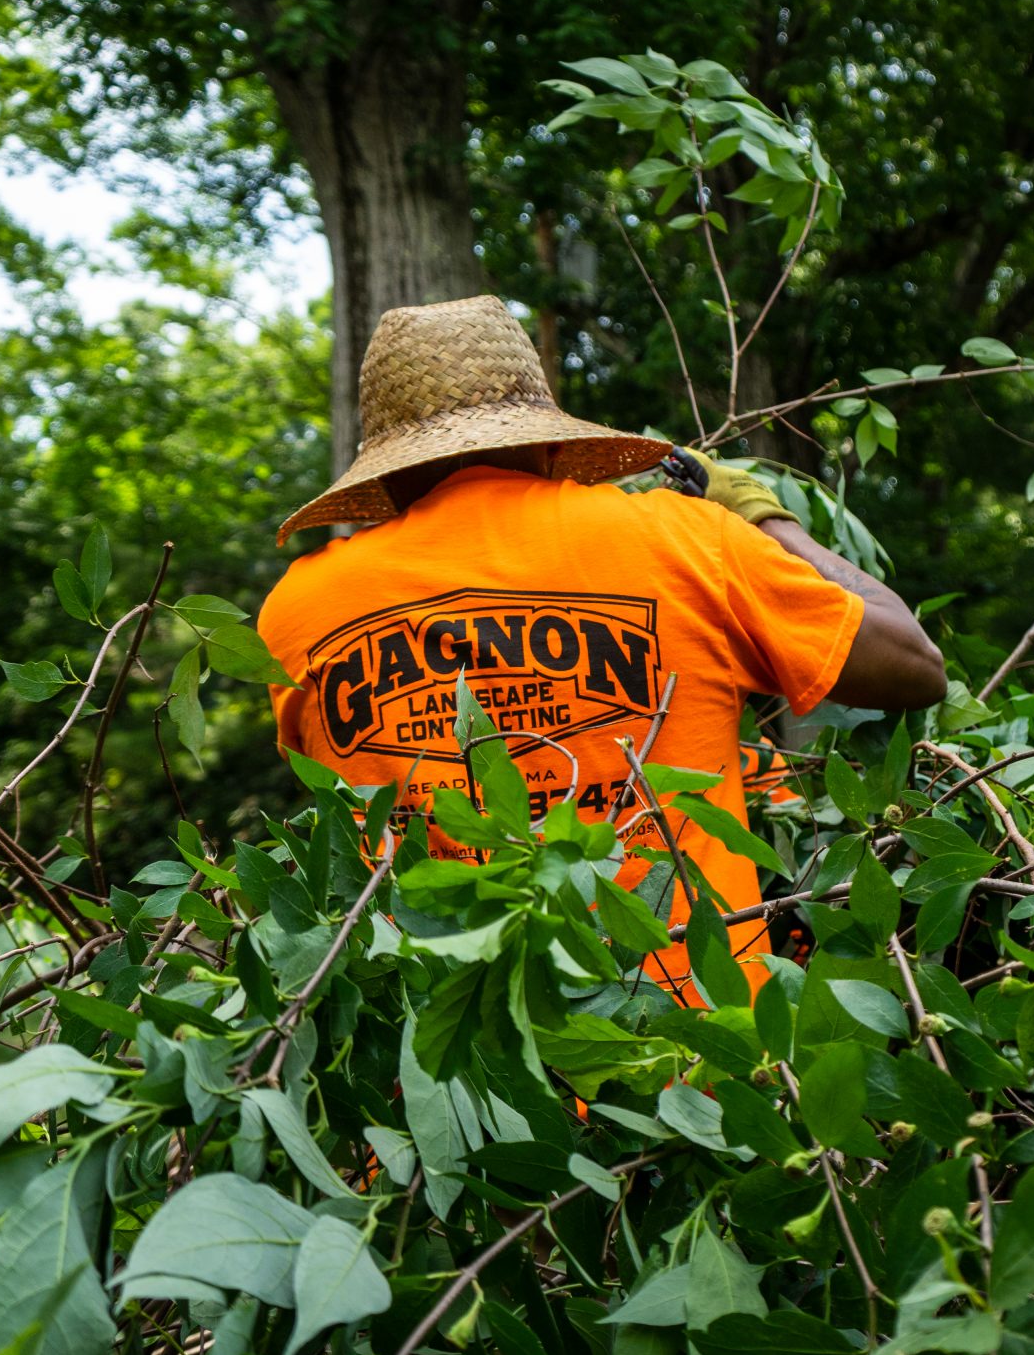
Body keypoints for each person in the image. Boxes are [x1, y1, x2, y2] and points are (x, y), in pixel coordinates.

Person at [256, 294, 944, 1002]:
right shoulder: (686, 541)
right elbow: (915, 667)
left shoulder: (298, 615)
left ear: (385, 478)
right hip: (699, 1068)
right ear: (554, 443)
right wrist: (764, 518)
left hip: (446, 1077)